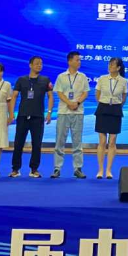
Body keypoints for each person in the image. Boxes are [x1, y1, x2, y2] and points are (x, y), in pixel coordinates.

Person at [10, 56, 54, 178]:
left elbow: (50, 96)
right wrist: (11, 113)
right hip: (23, 116)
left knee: (37, 144)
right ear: (30, 65)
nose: (39, 65)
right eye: (37, 63)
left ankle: (34, 169)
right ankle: (15, 169)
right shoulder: (21, 80)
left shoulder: (45, 80)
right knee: (18, 143)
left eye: (41, 64)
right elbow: (14, 96)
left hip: (38, 116)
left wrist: (49, 112)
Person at [53, 51, 89, 179]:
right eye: (77, 60)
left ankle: (78, 168)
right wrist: (69, 103)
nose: (79, 62)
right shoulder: (61, 76)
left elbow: (85, 93)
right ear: (69, 61)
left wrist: (77, 103)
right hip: (64, 111)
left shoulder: (83, 77)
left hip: (78, 112)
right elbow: (59, 92)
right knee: (60, 140)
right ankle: (57, 168)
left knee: (77, 141)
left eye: (80, 60)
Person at [94, 57, 127, 179]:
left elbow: (124, 97)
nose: (110, 66)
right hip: (103, 109)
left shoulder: (123, 81)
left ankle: (108, 170)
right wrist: (104, 103)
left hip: (115, 110)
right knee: (102, 141)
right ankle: (100, 170)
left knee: (112, 141)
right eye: (109, 64)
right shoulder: (102, 79)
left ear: (118, 68)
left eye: (113, 65)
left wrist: (116, 105)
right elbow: (97, 95)